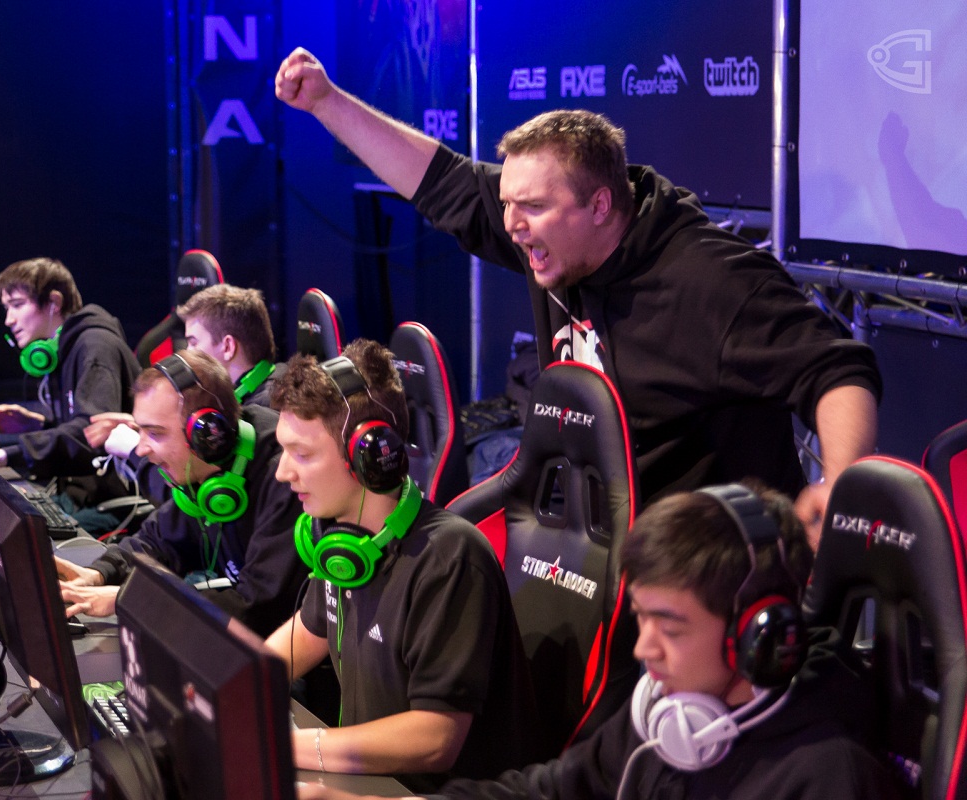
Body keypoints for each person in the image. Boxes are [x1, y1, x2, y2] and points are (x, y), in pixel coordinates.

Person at [274, 49, 882, 548]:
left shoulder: (709, 279)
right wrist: (326, 102)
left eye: (532, 207)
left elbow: (837, 370)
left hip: (710, 566)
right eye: (507, 203)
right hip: (595, 541)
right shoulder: (550, 237)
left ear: (600, 205)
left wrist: (839, 486)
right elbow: (441, 182)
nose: (512, 226)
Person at [295, 483, 901, 800]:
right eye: (642, 621)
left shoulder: (828, 778)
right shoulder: (663, 721)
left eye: (672, 627)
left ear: (755, 634)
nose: (644, 650)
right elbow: (546, 793)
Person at [264, 339, 537, 789]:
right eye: (283, 451)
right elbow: (298, 641)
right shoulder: (342, 549)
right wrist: (222, 693)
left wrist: (288, 745)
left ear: (367, 456)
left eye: (303, 454)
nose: (282, 473)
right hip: (367, 784)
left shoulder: (449, 557)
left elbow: (435, 738)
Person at [56, 349, 306, 637]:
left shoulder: (285, 478)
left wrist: (130, 598)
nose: (140, 449)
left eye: (155, 433)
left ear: (205, 435)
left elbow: (256, 608)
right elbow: (157, 541)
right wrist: (99, 573)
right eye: (140, 431)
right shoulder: (204, 473)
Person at [0, 257, 140, 533]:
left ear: (54, 302)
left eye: (17, 305)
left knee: (13, 536)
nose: (8, 320)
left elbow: (92, 434)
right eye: (6, 308)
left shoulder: (95, 346)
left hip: (110, 504)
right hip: (79, 497)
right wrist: (38, 425)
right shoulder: (66, 349)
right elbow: (80, 426)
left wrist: (5, 455)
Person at [84, 282, 281, 507]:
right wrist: (148, 428)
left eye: (192, 342)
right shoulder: (250, 394)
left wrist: (134, 451)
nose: (185, 353)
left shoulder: (270, 409)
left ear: (227, 347)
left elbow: (202, 499)